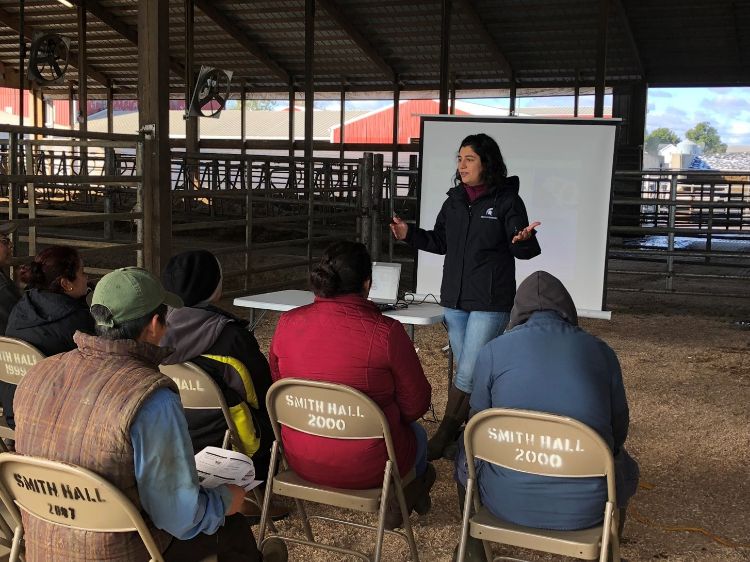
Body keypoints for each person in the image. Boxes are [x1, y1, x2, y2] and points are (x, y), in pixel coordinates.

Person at [12, 267, 277, 562]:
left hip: (44, 542)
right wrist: (227, 499)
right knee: (230, 524)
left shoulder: (40, 372)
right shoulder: (151, 398)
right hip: (122, 551)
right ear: (154, 324)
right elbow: (178, 517)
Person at [453, 271, 639, 561]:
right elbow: (618, 429)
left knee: (464, 456)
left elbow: (477, 427)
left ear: (517, 313)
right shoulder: (601, 352)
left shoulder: (492, 351)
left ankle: (472, 544)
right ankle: (609, 548)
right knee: (623, 465)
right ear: (568, 310)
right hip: (587, 507)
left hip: (503, 499)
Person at [390, 133, 541, 460]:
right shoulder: (454, 201)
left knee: (469, 371)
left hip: (490, 302)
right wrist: (409, 234)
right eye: (459, 159)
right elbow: (440, 242)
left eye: (469, 159)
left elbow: (522, 247)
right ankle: (476, 430)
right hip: (455, 301)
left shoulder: (507, 201)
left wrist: (524, 240)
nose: (461, 165)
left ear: (487, 163)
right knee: (472, 371)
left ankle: (445, 432)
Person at [269, 241, 434, 529]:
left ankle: (407, 492)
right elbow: (417, 403)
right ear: (367, 283)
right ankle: (406, 494)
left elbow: (279, 387)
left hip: (300, 456)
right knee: (418, 437)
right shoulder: (387, 332)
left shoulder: (286, 323)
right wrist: (384, 419)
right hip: (370, 468)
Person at [160, 249, 286, 520]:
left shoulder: (153, 331)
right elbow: (262, 394)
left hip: (171, 439)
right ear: (212, 286)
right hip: (228, 446)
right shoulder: (231, 337)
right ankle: (248, 497)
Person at [2, 246, 95, 429]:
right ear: (65, 284)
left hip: (14, 411)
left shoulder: (21, 308)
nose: (86, 278)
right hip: (51, 420)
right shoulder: (77, 321)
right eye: (82, 272)